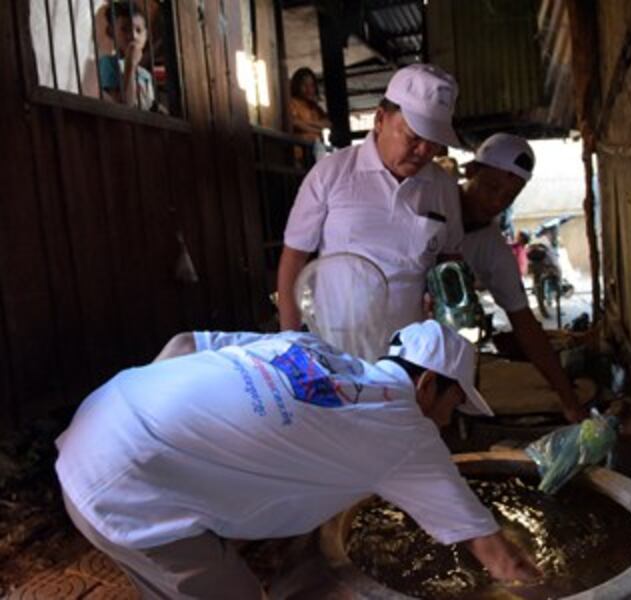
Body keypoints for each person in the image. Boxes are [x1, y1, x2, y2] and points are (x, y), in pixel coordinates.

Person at [55, 321, 540, 597]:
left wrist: (167, 437)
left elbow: (183, 345)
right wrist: (542, 586)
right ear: (428, 385)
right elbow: (493, 552)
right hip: (120, 490)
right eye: (452, 408)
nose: (444, 425)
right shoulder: (406, 430)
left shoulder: (307, 346)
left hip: (95, 420)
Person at [278, 64, 464, 341]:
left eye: (434, 142)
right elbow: (294, 258)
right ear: (380, 119)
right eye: (414, 137)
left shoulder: (443, 187)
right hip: (336, 346)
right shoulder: (332, 173)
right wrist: (290, 342)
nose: (424, 151)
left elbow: (449, 261)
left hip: (408, 350)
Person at [460, 133, 587, 422]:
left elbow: (525, 325)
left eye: (508, 196)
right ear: (471, 172)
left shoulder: (493, 251)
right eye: (490, 187)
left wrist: (568, 400)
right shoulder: (426, 201)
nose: (496, 202)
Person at [100, 1, 155, 110]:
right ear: (111, 32)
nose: (134, 36)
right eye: (125, 29)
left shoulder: (145, 75)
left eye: (139, 30)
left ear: (146, 36)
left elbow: (149, 107)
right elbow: (124, 107)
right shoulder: (108, 63)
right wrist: (131, 64)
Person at [288, 67, 331, 162]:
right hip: (300, 154)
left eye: (311, 85)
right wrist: (318, 128)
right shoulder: (292, 103)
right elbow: (295, 123)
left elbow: (328, 124)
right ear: (296, 85)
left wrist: (305, 123)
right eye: (304, 85)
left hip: (316, 152)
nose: (309, 89)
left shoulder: (315, 107)